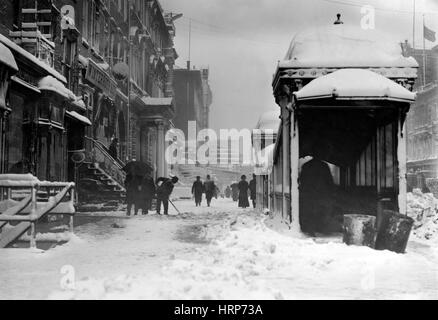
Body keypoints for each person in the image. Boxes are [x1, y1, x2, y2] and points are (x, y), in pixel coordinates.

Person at [299, 148, 335, 235]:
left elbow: (302, 181)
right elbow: (329, 182)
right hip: (322, 195)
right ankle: (320, 228)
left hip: (309, 194)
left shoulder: (306, 166)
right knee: (321, 212)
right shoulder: (324, 166)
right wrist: (331, 193)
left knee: (310, 212)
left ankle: (310, 230)